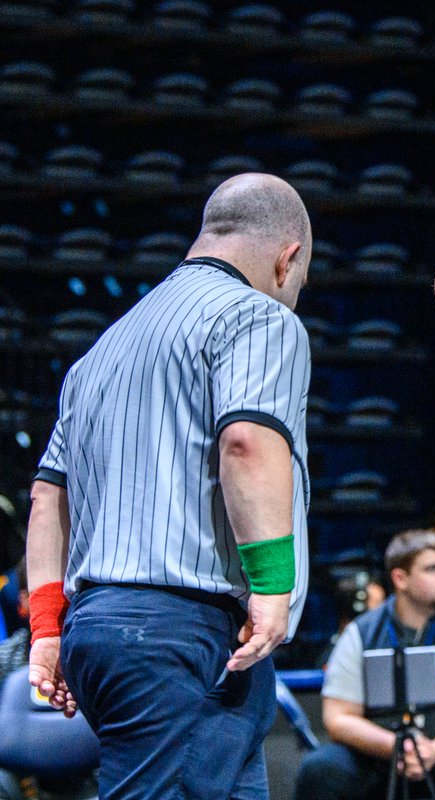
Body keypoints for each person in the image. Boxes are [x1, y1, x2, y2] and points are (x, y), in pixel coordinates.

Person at [24, 173, 312, 799]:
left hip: (105, 630)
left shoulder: (100, 351)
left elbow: (47, 497)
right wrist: (272, 586)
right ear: (287, 259)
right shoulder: (258, 316)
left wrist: (45, 628)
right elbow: (246, 443)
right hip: (181, 635)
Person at [296, 530, 435, 800]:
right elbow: (338, 718)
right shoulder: (363, 632)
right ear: (400, 579)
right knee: (320, 769)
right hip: (383, 761)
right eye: (432, 569)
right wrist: (397, 747)